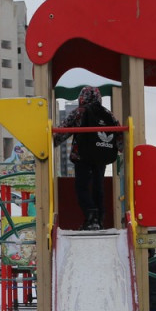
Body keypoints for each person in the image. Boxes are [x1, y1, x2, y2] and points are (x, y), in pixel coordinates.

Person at [54, 85, 121, 230]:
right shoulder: (108, 113)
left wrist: (52, 141)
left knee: (82, 187)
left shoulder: (79, 112)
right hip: (101, 156)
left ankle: (91, 217)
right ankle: (100, 220)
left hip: (82, 156)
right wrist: (122, 148)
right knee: (98, 187)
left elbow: (62, 131)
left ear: (81, 98)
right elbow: (118, 133)